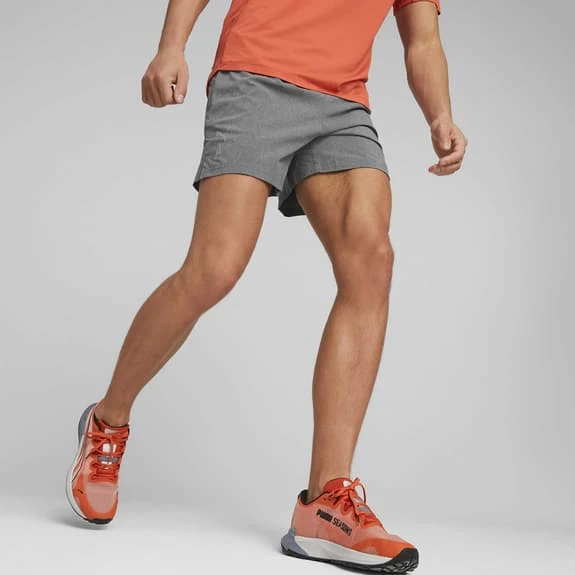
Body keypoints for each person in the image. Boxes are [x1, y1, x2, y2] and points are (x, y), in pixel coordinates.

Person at [65, 0, 467, 572]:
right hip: (255, 78)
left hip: (342, 103)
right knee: (215, 268)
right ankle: (107, 422)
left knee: (372, 262)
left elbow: (422, 40)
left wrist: (440, 116)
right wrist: (172, 46)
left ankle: (325, 504)